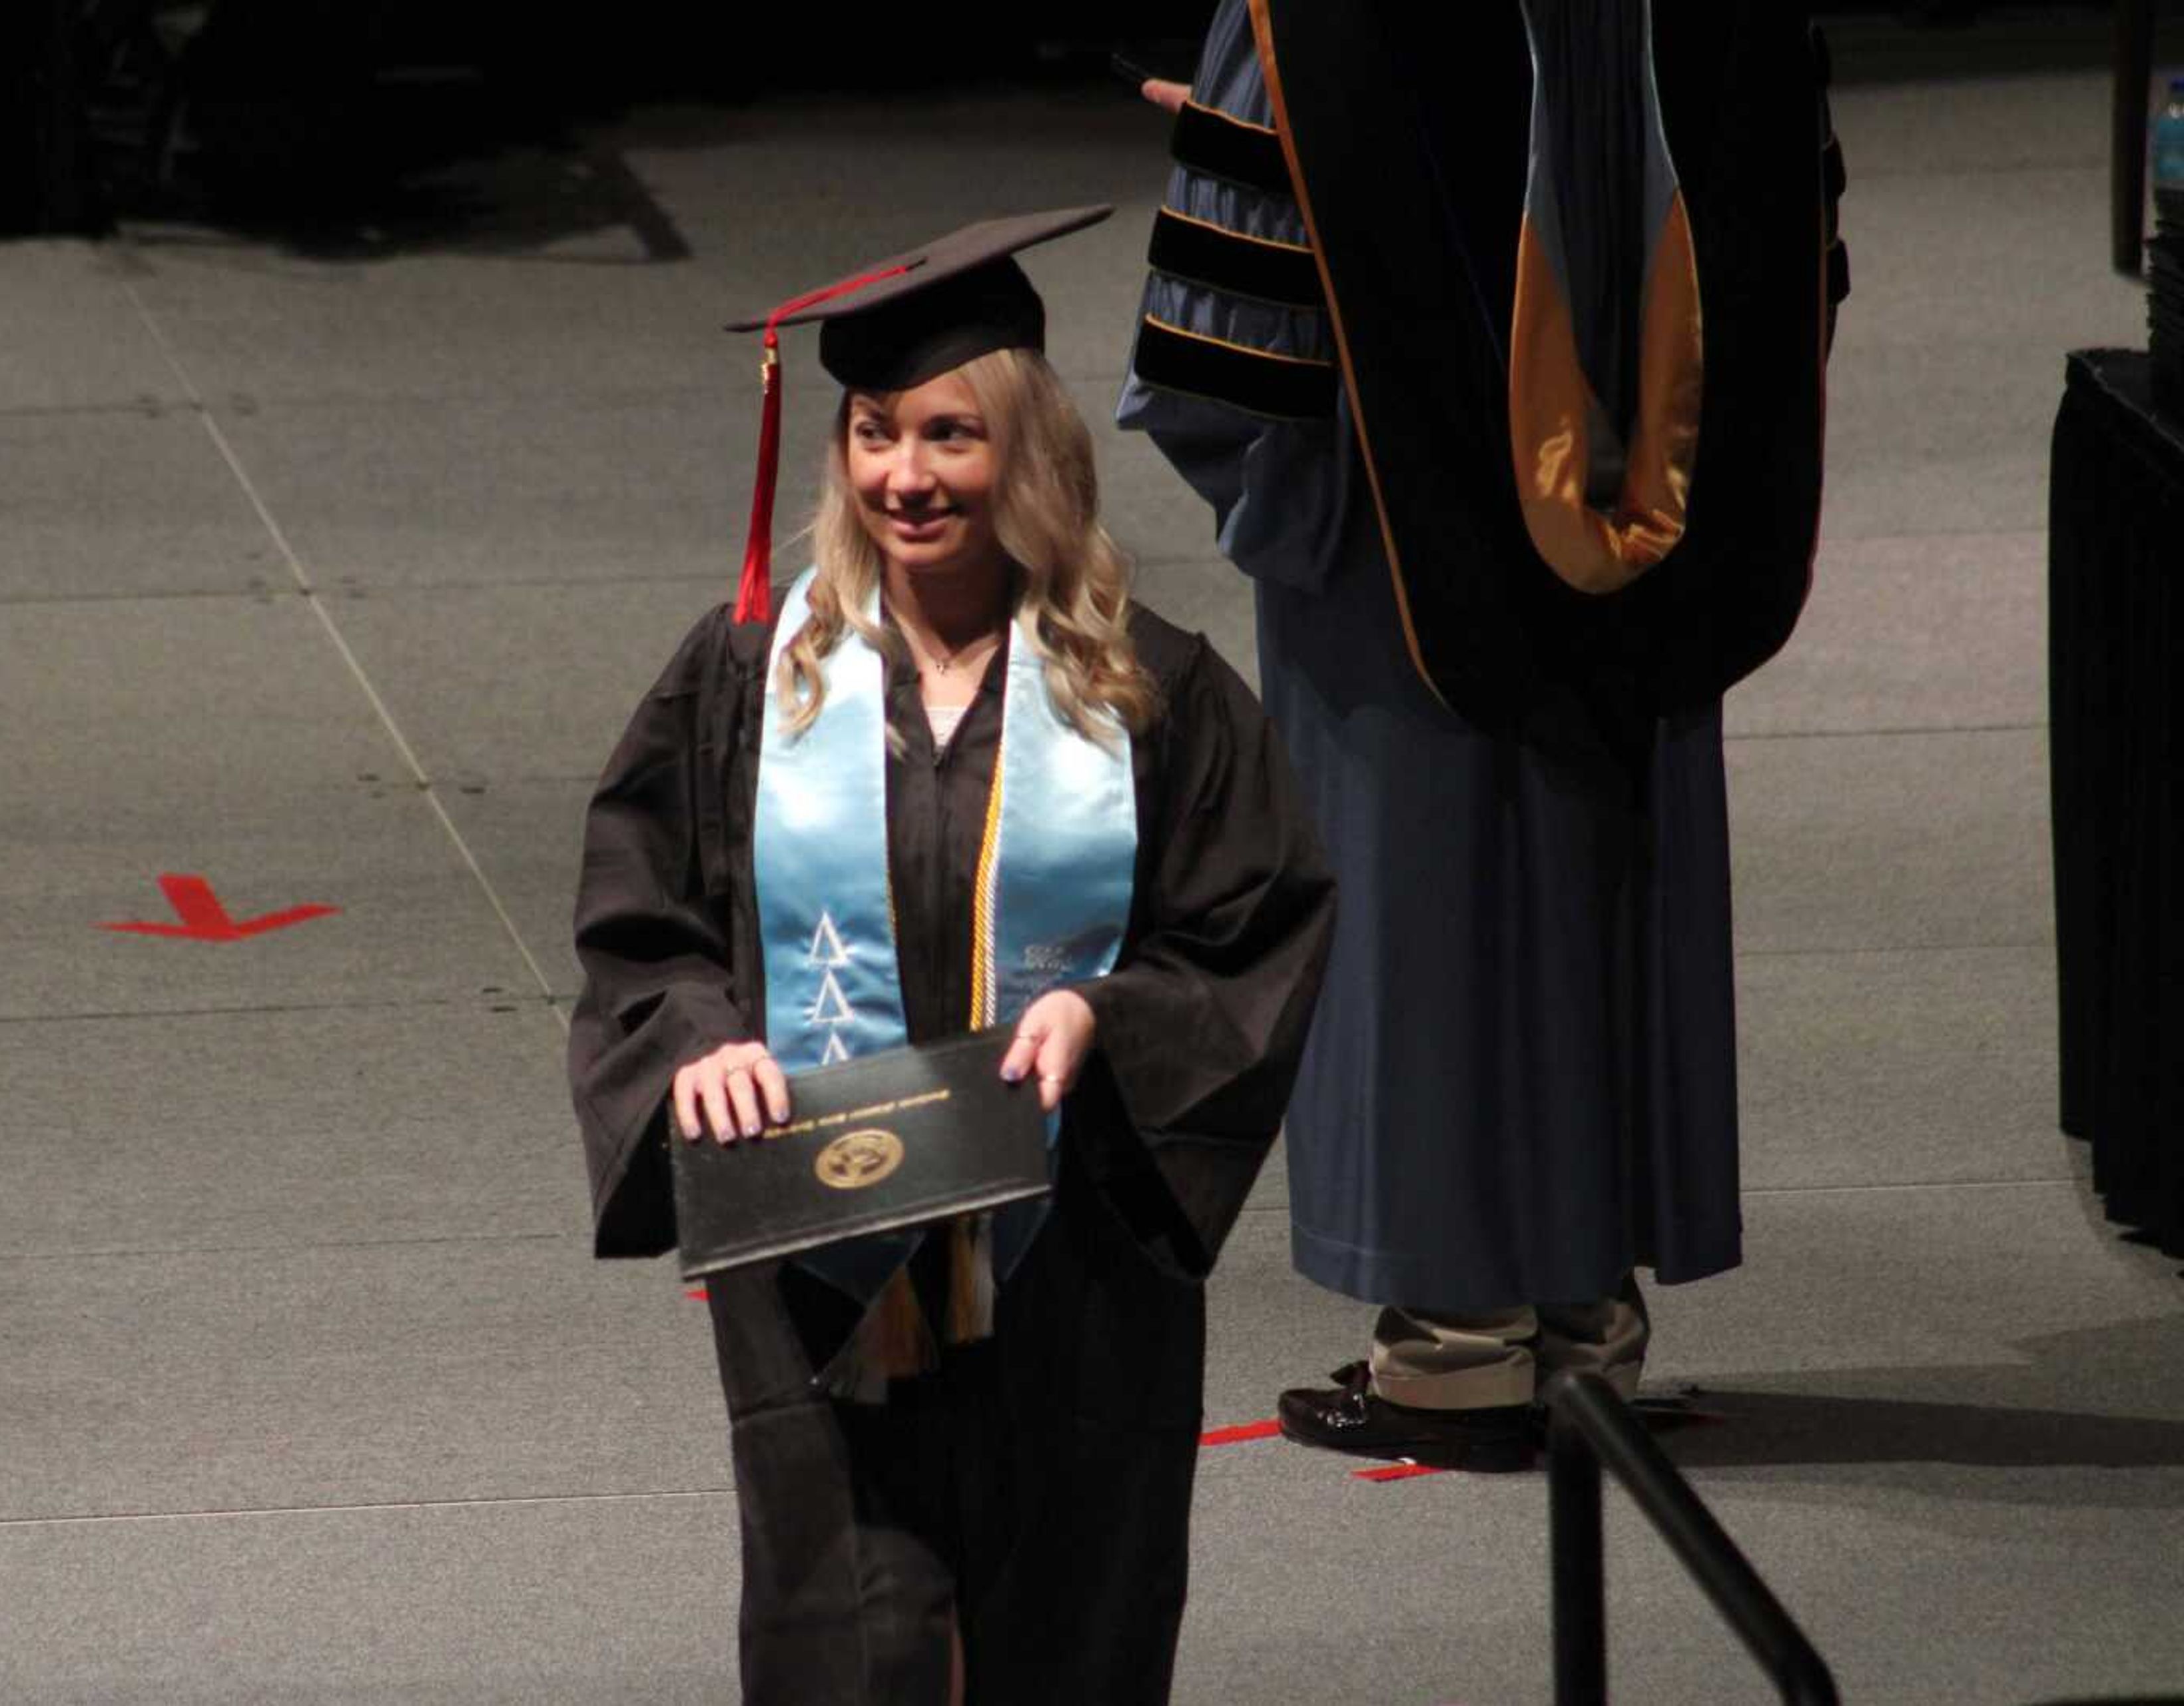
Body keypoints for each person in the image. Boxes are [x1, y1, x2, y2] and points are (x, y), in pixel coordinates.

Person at [569, 207, 1336, 1703]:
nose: (904, 477)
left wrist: (1111, 1019)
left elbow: (1255, 930)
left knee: (1075, 1602)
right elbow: (640, 916)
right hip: (821, 1236)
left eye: (948, 436)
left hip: (1072, 1243)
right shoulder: (748, 676)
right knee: (845, 1614)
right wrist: (699, 1037)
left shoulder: (1146, 686)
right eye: (873, 435)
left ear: (1027, 453)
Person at [1120, 3, 1848, 1470]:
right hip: (1669, 530)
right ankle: (1588, 1331)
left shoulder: (1306, 20)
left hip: (1392, 572)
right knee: (1602, 895)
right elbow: (1794, 274)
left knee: (1426, 916)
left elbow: (1226, 365)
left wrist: (1308, 516)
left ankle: (1455, 1352)